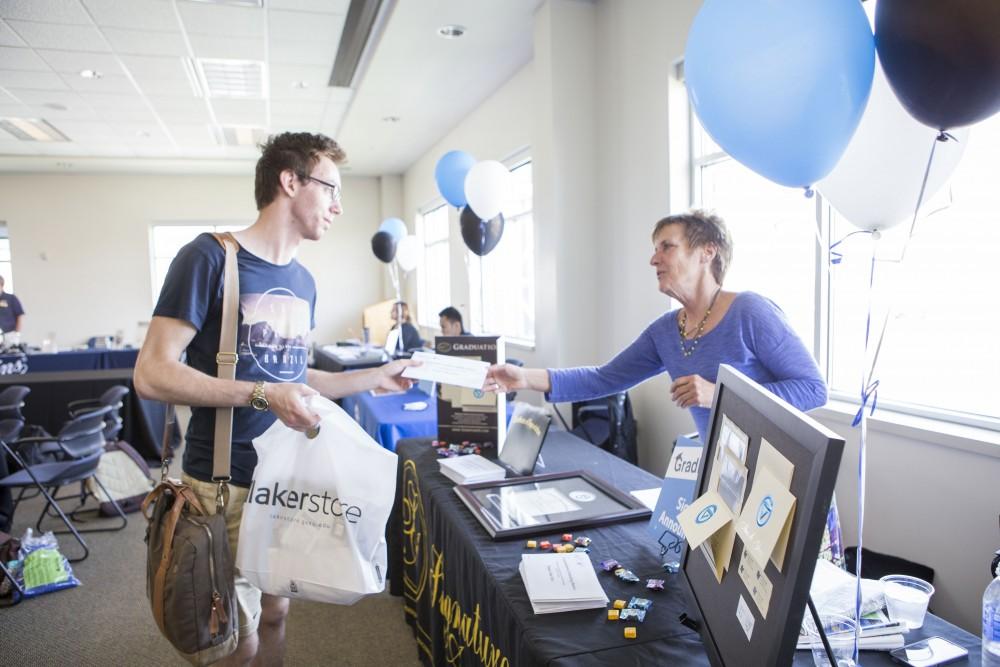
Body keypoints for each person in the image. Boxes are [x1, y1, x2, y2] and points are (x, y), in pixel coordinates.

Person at [134, 132, 416, 666]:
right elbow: (151, 374)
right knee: (234, 644)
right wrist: (264, 395)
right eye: (331, 189)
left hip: (287, 484)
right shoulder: (209, 258)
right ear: (290, 181)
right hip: (222, 488)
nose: (338, 206)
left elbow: (292, 376)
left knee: (278, 615)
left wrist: (374, 377)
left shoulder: (303, 281)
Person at [486, 210, 827, 443]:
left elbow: (813, 389)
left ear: (707, 252)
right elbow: (604, 378)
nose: (653, 259)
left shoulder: (751, 312)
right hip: (725, 474)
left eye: (667, 246)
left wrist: (719, 395)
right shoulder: (665, 331)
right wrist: (525, 378)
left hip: (780, 480)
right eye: (654, 249)